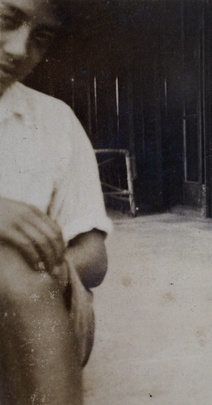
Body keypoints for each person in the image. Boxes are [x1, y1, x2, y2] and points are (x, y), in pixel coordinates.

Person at [0, 0, 112, 403]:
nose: (18, 49)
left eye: (40, 38)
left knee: (12, 263)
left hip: (26, 312)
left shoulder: (53, 120)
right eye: (6, 21)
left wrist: (31, 270)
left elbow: (93, 255)